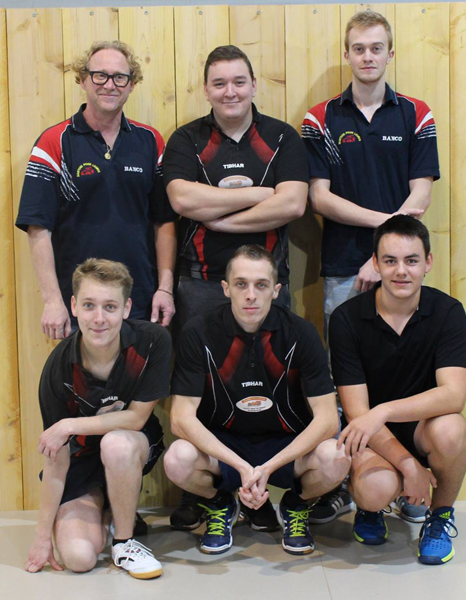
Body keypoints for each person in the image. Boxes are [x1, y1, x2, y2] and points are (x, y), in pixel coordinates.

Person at [301, 9, 441, 522]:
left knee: (406, 374)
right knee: (346, 382)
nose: (367, 56)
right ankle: (351, 482)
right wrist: (384, 236)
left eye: (376, 48)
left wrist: (382, 258)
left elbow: (420, 194)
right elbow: (320, 198)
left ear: (390, 53)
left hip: (398, 267)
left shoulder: (416, 113)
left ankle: (408, 485)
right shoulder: (320, 118)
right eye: (358, 48)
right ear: (347, 54)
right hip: (345, 269)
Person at [164, 45, 308, 530]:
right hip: (200, 284)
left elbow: (292, 204)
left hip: (268, 287)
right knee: (202, 392)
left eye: (239, 81)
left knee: (269, 386)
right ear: (206, 89)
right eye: (220, 83)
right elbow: (182, 199)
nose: (230, 91)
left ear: (253, 85)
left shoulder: (281, 137)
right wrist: (258, 196)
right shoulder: (186, 139)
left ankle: (259, 486)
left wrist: (220, 217)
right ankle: (207, 495)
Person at [164, 245, 349, 556]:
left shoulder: (301, 334)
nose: (251, 295)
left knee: (337, 457)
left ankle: (296, 505)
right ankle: (220, 503)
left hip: (284, 445)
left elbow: (328, 419)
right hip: (224, 445)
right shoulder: (198, 332)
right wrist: (241, 467)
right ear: (226, 288)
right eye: (241, 284)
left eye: (261, 285)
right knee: (176, 459)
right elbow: (181, 419)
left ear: (276, 290)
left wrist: (267, 468)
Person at [328, 216, 466, 565]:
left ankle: (439, 518)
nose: (401, 271)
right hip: (371, 435)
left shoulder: (448, 312)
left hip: (421, 427)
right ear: (375, 264)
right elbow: (358, 414)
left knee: (452, 429)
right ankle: (370, 509)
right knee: (375, 490)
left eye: (411, 260)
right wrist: (410, 467)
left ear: (428, 263)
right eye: (390, 261)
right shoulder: (346, 318)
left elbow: (454, 395)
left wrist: (385, 410)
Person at [16, 40, 177, 338]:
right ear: (83, 79)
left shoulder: (151, 141)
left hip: (139, 300)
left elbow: (164, 221)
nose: (109, 85)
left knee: (142, 371)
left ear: (131, 85)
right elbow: (37, 227)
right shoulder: (54, 142)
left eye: (120, 77)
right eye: (99, 75)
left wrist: (164, 289)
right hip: (81, 304)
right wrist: (52, 300)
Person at [25, 259, 169, 579]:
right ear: (74, 306)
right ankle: (108, 513)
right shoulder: (59, 367)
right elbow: (57, 454)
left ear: (126, 308)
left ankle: (124, 543)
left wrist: (69, 425)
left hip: (132, 447)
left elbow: (136, 419)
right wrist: (41, 536)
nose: (99, 318)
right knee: (78, 559)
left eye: (110, 307)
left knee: (116, 444)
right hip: (83, 461)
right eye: (89, 305)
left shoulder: (152, 341)